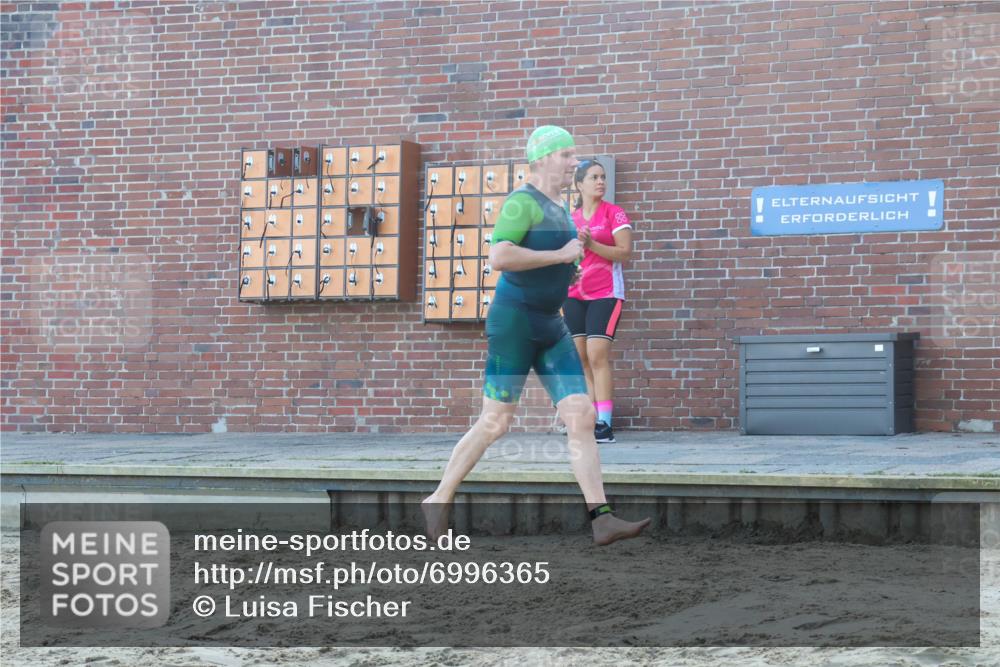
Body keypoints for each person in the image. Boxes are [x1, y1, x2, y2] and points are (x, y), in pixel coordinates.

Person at [422, 126, 651, 547]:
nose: (573, 163)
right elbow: (499, 256)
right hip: (515, 325)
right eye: (566, 155)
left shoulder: (559, 206)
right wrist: (560, 255)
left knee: (581, 416)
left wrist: (568, 269)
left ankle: (601, 518)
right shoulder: (521, 202)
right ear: (542, 159)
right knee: (495, 422)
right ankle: (438, 499)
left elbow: (551, 259)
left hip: (551, 324)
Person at [562, 159, 633, 444]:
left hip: (606, 294)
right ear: (579, 184)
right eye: (594, 177)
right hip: (574, 295)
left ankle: (605, 423)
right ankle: (590, 419)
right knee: (581, 358)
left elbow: (625, 252)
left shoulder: (614, 214)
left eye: (603, 177)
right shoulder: (570, 218)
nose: (601, 182)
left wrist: (592, 245)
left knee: (597, 355)